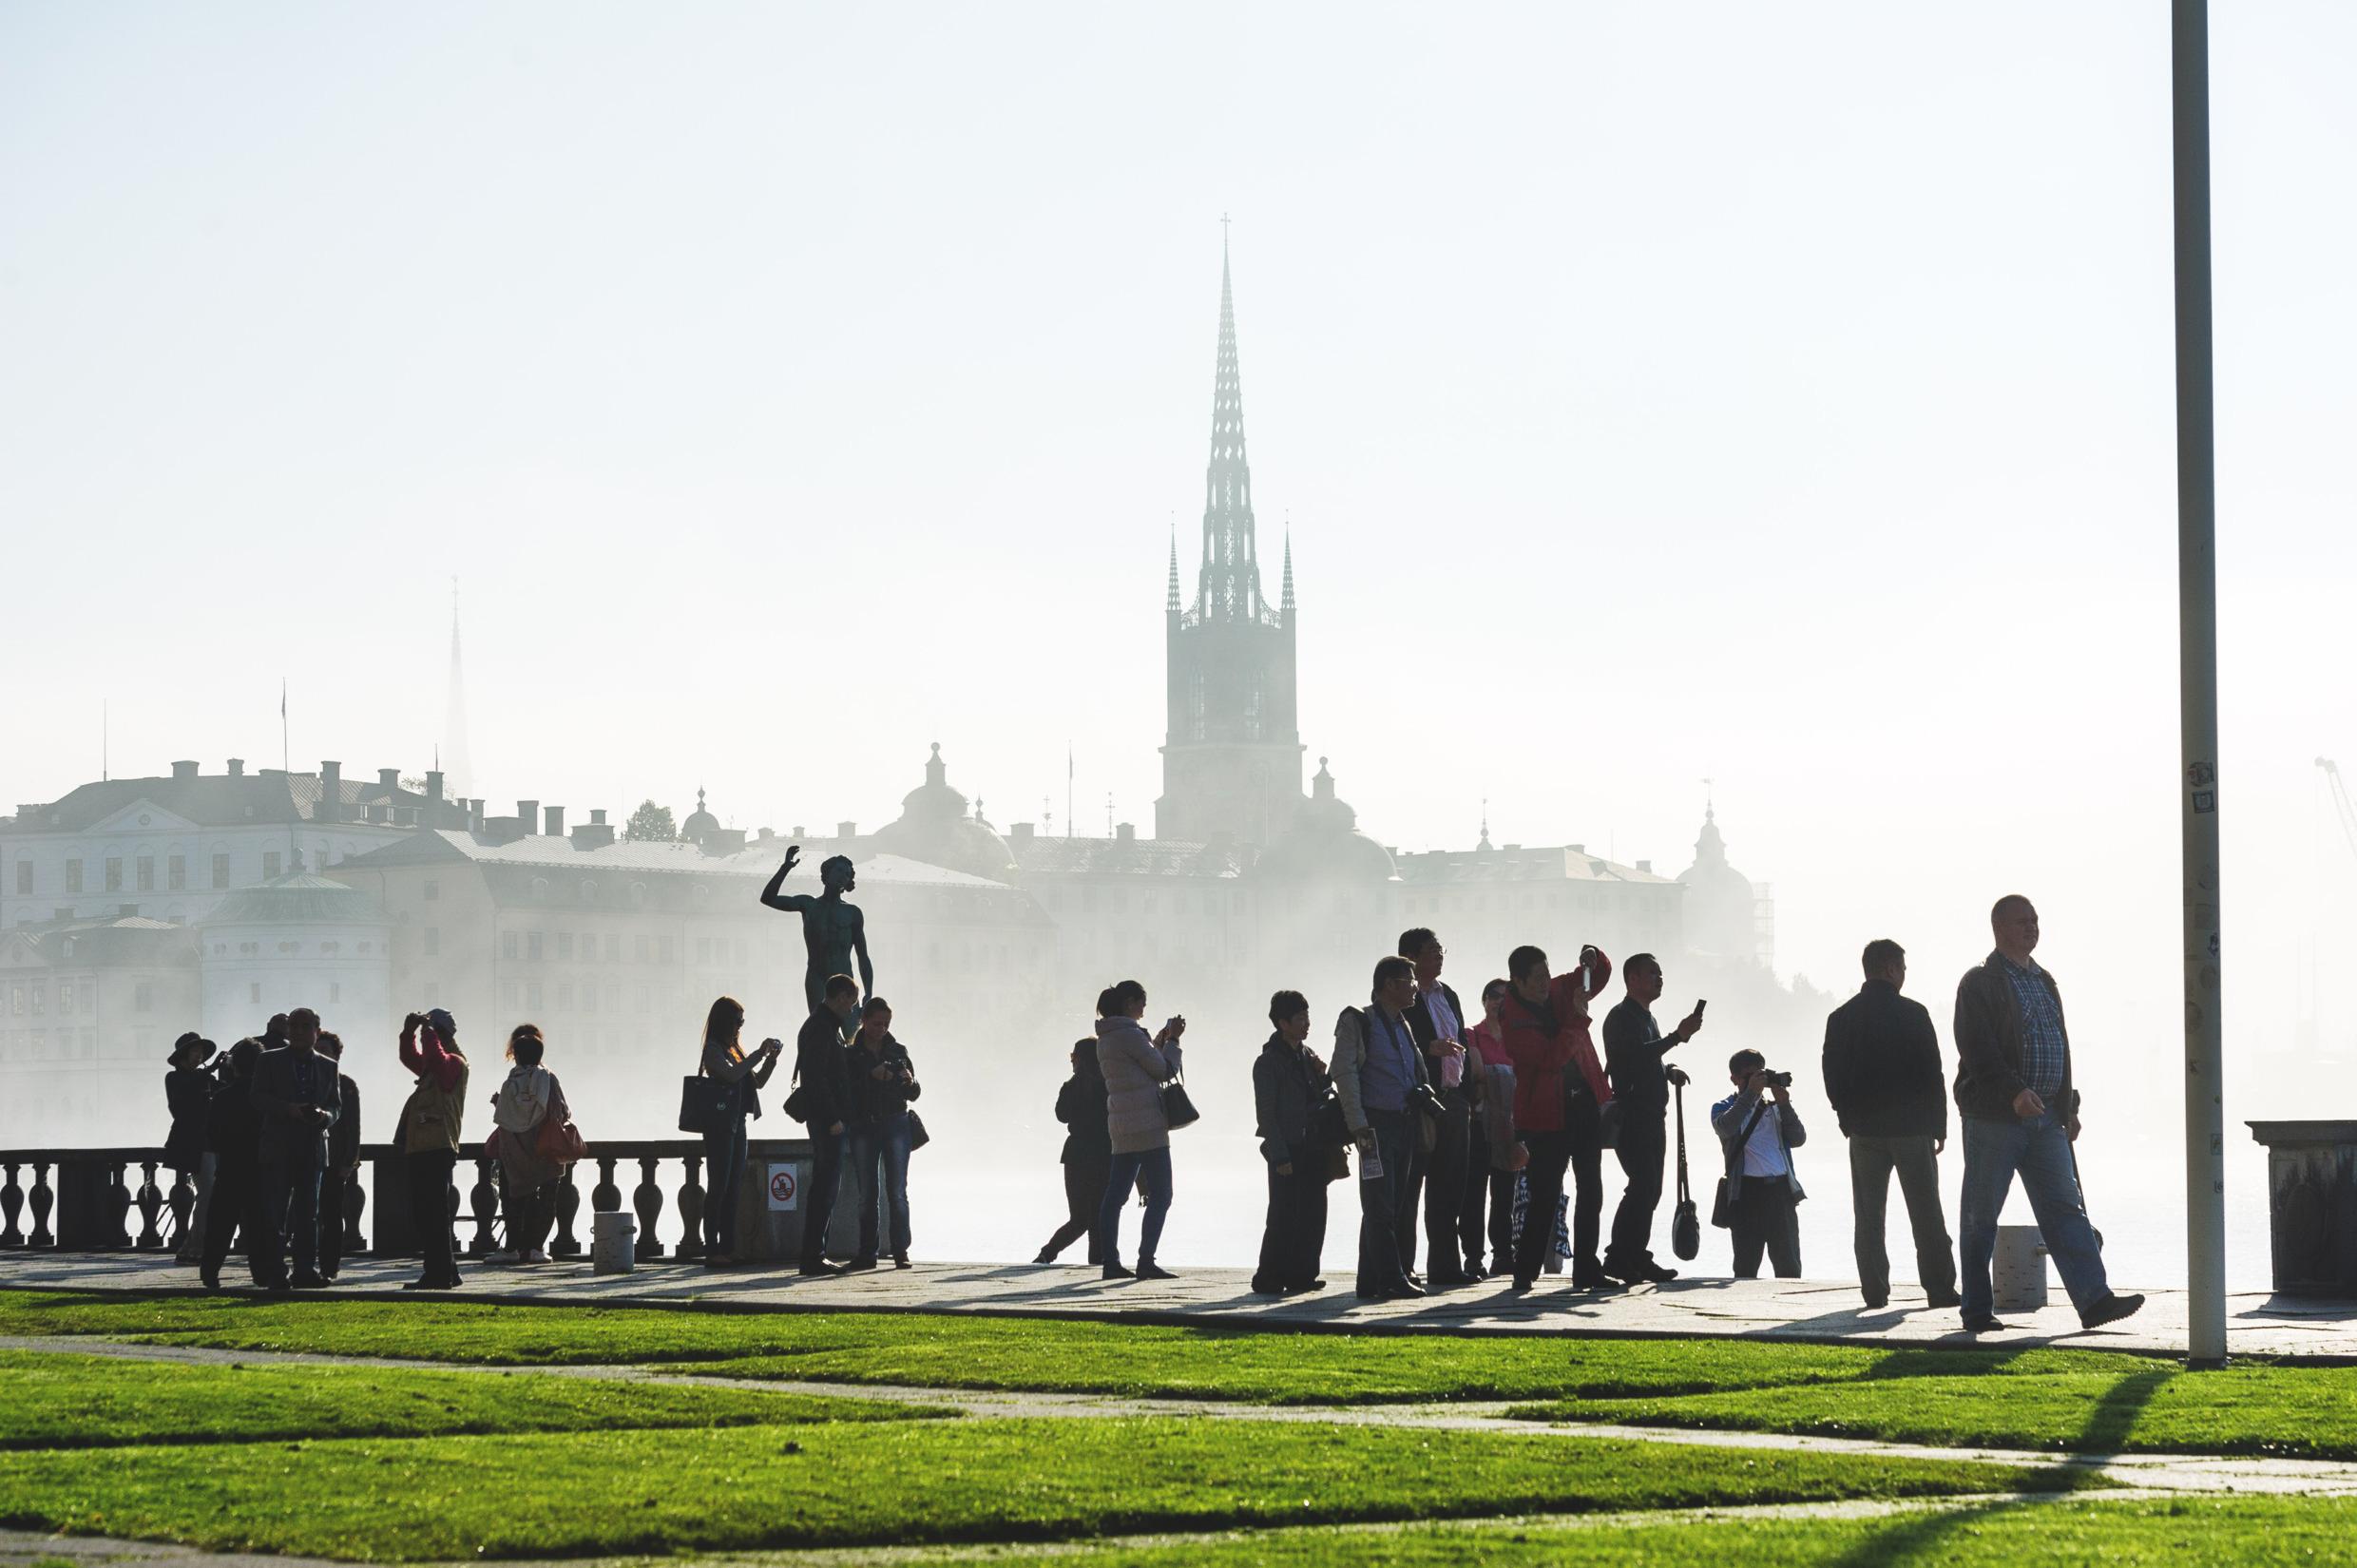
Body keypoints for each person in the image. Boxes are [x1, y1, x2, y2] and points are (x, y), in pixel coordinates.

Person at [1954, 896, 2143, 1333]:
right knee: (1981, 1216)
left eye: (2036, 921)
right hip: (1995, 1120)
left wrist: (2067, 1106)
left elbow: (2059, 1044)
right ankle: (1977, 1309)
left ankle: (2095, 1300)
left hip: (2046, 1121)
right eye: (2023, 922)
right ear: (1999, 927)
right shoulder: (1979, 982)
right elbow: (1977, 1049)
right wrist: (2013, 1092)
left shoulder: (2045, 981)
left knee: (2066, 1209)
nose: (2032, 928)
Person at [1822, 938, 1958, 1310]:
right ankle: (1940, 1289)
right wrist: (1939, 1125)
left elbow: (1831, 1074)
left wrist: (1845, 1117)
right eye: (1903, 968)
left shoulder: (1841, 1017)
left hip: (1864, 1131)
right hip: (1912, 1128)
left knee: (1868, 1217)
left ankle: (1874, 1291)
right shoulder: (1914, 1014)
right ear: (1891, 968)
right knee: (1927, 1213)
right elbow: (1933, 1072)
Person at [1497, 945, 1614, 1291]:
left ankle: (1587, 1268)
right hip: (1544, 1115)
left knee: (1591, 1188)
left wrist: (1593, 956)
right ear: (1516, 980)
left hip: (1583, 1106)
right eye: (1536, 978)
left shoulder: (1561, 988)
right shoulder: (1513, 1019)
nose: (1545, 983)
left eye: (1547, 974)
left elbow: (1596, 977)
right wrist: (1577, 1019)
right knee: (1545, 1192)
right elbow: (1551, 1059)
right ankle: (1525, 1269)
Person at [1332, 955, 1430, 1301]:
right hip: (1374, 1127)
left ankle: (1369, 1280)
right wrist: (1357, 1124)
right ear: (1390, 984)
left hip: (1403, 1123)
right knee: (1379, 1206)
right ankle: (1391, 1277)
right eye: (1410, 980)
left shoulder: (1403, 1023)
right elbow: (1343, 1073)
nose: (1416, 987)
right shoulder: (1359, 1021)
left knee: (1393, 1204)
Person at [1602, 952, 1702, 1286]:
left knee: (1651, 1190)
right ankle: (1619, 1257)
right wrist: (1677, 1037)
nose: (1659, 978)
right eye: (1652, 973)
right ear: (1632, 978)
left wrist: (1667, 1070)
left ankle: (1634, 1256)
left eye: (1660, 973)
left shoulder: (1646, 1017)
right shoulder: (1621, 1017)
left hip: (1652, 1113)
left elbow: (1648, 1060)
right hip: (1633, 1115)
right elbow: (1630, 1059)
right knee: (1641, 1187)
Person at [1093, 979, 1186, 1280]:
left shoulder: (1106, 1038)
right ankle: (1146, 1260)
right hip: (1148, 1125)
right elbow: (1163, 1070)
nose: (1144, 1007)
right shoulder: (1130, 1035)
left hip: (1121, 1125)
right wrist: (1173, 1041)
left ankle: (1111, 1261)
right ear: (1129, 1003)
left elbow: (1138, 1067)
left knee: (1115, 1195)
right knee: (1162, 1194)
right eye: (1142, 1002)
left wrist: (1156, 1044)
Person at [1399, 928, 1475, 1287]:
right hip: (1419, 1103)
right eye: (1432, 951)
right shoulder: (1401, 997)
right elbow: (1401, 1044)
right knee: (1410, 1187)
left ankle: (1445, 1267)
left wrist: (1469, 1094)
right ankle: (1402, 1267)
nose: (1440, 956)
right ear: (1411, 957)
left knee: (1450, 1188)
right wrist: (1432, 1048)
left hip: (1454, 1100)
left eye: (1440, 949)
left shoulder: (1449, 995)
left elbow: (1461, 1042)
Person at [251, 1006, 340, 1292]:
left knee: (308, 1215)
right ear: (288, 1031)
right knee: (274, 1213)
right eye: (295, 1027)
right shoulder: (268, 1061)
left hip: (312, 1147)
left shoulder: (329, 1066)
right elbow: (256, 1098)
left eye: (306, 1027)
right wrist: (289, 1109)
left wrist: (325, 1117)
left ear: (317, 1031)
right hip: (277, 1147)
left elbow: (336, 1106)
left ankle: (305, 1269)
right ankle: (276, 1271)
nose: (300, 1032)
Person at [1251, 989, 1334, 1295]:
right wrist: (1279, 1155)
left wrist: (1323, 1076)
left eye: (1307, 1016)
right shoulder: (1268, 1063)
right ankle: (1269, 1276)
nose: (1306, 1023)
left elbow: (1320, 1097)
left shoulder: (1307, 1055)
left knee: (1314, 1213)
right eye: (1300, 1018)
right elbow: (1267, 1115)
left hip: (1314, 1145)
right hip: (1287, 1148)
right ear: (1282, 1023)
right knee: (1283, 1215)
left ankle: (1303, 1274)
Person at [698, 997, 783, 1268]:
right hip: (720, 1126)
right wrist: (757, 1054)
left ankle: (729, 1247)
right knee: (718, 1188)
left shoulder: (734, 1049)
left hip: (738, 1124)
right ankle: (712, 1249)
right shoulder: (713, 1050)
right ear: (725, 1021)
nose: (740, 1027)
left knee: (733, 1188)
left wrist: (770, 1060)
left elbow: (754, 1082)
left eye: (742, 1022)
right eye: (738, 1021)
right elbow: (731, 1076)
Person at [199, 1016, 282, 1289]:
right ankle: (261, 1273)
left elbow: (211, 1139)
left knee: (220, 1225)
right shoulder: (266, 1098)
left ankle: (210, 1272)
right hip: (260, 1167)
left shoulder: (221, 1098)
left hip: (229, 1168)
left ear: (234, 1067)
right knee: (259, 1226)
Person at [1712, 1049, 1808, 1279]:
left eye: (1760, 1075)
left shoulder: (1775, 1107)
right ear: (1734, 1078)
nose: (1756, 1080)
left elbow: (1798, 1139)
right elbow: (1725, 1128)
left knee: (1789, 1268)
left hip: (1781, 1192)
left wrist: (1785, 1105)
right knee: (1745, 1269)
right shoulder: (1723, 1107)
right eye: (1749, 1076)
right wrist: (1750, 1096)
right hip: (1746, 1194)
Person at [843, 997, 920, 1271]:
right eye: (877, 1023)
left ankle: (901, 1250)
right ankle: (867, 1252)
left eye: (886, 1024)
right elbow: (847, 1091)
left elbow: (915, 1093)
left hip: (896, 1122)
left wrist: (909, 1080)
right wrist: (869, 1076)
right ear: (863, 1020)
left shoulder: (898, 1050)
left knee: (897, 1191)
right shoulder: (852, 1054)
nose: (882, 1029)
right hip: (864, 1125)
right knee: (867, 1193)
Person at [397, 1007, 469, 1291]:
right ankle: (447, 1271)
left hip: (437, 1146)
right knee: (429, 1214)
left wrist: (426, 1030)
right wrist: (408, 1032)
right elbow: (409, 1057)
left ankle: (437, 1274)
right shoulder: (434, 1064)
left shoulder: (454, 1063)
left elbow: (438, 1062)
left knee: (433, 1215)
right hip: (424, 1146)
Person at [793, 976, 861, 1276]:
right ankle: (813, 1255)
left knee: (826, 1186)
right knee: (825, 1187)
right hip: (826, 1122)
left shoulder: (822, 1025)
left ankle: (816, 1253)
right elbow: (816, 1079)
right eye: (851, 1001)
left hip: (825, 1119)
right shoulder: (822, 1028)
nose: (852, 1008)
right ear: (840, 997)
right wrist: (833, 1117)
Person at [761, 846, 875, 1023]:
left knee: (850, 1032)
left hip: (844, 979)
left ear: (848, 881)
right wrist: (786, 868)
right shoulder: (808, 905)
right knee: (820, 1028)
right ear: (827, 873)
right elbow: (768, 898)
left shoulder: (853, 913)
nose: (842, 875)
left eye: (846, 874)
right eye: (838, 870)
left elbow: (863, 956)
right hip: (817, 977)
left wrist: (869, 991)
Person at [489, 1023, 571, 1266]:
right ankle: (536, 1248)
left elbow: (505, 1116)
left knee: (513, 1199)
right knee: (546, 1199)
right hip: (545, 1149)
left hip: (514, 1150)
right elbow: (562, 1112)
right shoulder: (548, 1079)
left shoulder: (510, 1081)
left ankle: (512, 1247)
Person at [1465, 979, 1529, 1275]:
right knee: (1474, 1195)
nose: (1497, 1002)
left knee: (1505, 1195)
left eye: (1504, 998)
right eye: (1492, 995)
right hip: (1478, 1124)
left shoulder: (1519, 1039)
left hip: (1511, 1127)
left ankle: (1503, 1255)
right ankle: (1473, 1258)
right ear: (1484, 999)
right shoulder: (1472, 1035)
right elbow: (1476, 1074)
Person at [1035, 1039, 1110, 1265]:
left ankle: (1046, 1254)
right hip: (1103, 1153)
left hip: (1076, 1154)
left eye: (1072, 1057)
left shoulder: (1071, 1086)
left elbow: (1061, 1115)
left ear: (1078, 1059)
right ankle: (1096, 1263)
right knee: (1097, 1217)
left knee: (1079, 1218)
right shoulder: (1108, 1085)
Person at [163, 1033, 217, 1265]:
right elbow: (184, 1098)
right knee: (206, 1194)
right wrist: (211, 1069)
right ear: (184, 1055)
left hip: (209, 1142)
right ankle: (195, 1245)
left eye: (201, 1053)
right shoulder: (174, 1078)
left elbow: (224, 1089)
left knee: (208, 1195)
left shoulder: (203, 1078)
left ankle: (191, 1245)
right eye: (195, 1052)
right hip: (192, 1144)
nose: (200, 1056)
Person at [316, 1032, 361, 1282]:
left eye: (325, 1050)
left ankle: (329, 1266)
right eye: (318, 1049)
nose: (321, 1054)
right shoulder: (305, 1080)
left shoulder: (346, 1085)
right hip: (309, 1158)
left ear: (336, 1055)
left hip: (334, 1161)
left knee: (332, 1216)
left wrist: (349, 1161)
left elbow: (353, 1126)